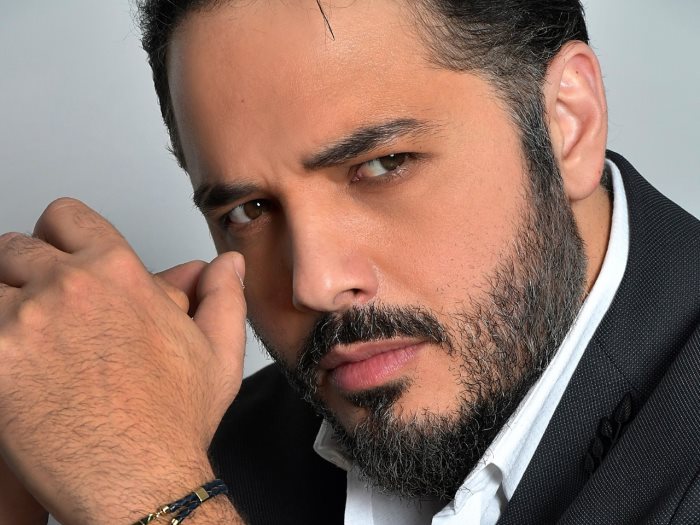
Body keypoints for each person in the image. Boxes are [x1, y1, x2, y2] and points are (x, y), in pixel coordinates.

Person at [0, 1, 698, 524]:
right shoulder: (204, 445)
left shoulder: (157, 475)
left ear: (567, 124)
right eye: (248, 210)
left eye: (382, 165)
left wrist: (159, 503)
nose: (315, 283)